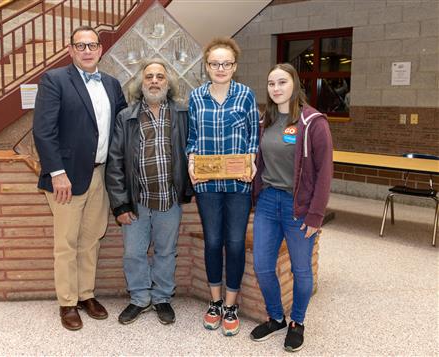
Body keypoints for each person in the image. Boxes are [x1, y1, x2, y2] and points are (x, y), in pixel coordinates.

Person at [33, 26, 127, 331]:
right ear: (71, 50)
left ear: (100, 50)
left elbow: (122, 128)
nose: (87, 50)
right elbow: (43, 130)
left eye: (92, 45)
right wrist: (57, 172)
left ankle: (86, 295)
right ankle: (67, 302)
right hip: (67, 179)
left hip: (100, 173)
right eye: (80, 45)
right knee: (67, 242)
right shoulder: (55, 80)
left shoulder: (112, 84)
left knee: (91, 239)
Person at [249, 63, 333, 352]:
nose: (276, 88)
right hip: (269, 202)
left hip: (299, 206)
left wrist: (315, 214)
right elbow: (261, 162)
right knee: (262, 265)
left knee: (301, 269)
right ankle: (276, 317)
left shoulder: (313, 122)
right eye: (271, 83)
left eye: (282, 82)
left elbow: (325, 172)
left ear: (294, 84)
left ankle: (297, 321)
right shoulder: (266, 120)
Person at [106, 58, 192, 325]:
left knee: (167, 251)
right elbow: (115, 162)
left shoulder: (181, 114)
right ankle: (140, 298)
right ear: (140, 83)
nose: (154, 81)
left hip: (170, 198)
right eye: (149, 77)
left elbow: (193, 152)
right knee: (134, 252)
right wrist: (120, 205)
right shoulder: (126, 116)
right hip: (137, 200)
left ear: (168, 83)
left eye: (160, 76)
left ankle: (162, 297)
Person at [186, 37, 259, 336]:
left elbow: (253, 136)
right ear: (206, 66)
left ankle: (231, 305)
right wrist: (191, 163)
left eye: (226, 63)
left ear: (235, 66)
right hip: (207, 185)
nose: (220, 68)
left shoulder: (246, 95)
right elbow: (191, 138)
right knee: (213, 242)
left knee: (236, 242)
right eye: (215, 63)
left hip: (238, 183)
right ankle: (214, 302)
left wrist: (251, 163)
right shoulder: (195, 97)